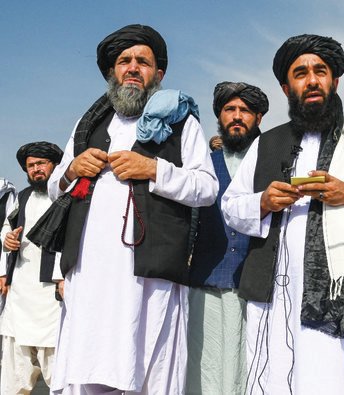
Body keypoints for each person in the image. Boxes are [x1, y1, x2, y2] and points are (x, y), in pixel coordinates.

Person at [222, 34, 344, 394]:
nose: (311, 80)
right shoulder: (267, 142)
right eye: (300, 73)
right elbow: (231, 206)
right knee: (276, 375)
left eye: (320, 71)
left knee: (337, 377)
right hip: (276, 289)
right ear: (286, 86)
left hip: (340, 290)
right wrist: (263, 201)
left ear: (334, 80)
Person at [46, 24, 218, 393]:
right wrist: (72, 169)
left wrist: (154, 169)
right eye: (124, 61)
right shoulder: (88, 124)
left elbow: (206, 188)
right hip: (90, 271)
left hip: (148, 277)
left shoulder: (181, 123)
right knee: (88, 368)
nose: (133, 68)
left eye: (143, 61)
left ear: (159, 73)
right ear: (112, 72)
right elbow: (53, 183)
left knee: (150, 372)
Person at [187, 81, 269, 395]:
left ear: (258, 118)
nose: (237, 116)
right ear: (219, 116)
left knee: (251, 366)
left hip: (257, 285)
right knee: (203, 367)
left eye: (245, 110)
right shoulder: (202, 164)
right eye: (229, 109)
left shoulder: (272, 163)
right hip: (206, 280)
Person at [0, 142, 63, 393]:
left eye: (41, 164)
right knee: (15, 375)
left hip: (52, 299)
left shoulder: (67, 198)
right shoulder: (22, 197)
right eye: (31, 166)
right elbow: (7, 225)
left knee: (59, 372)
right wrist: (7, 238)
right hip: (20, 297)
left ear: (54, 166)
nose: (36, 170)